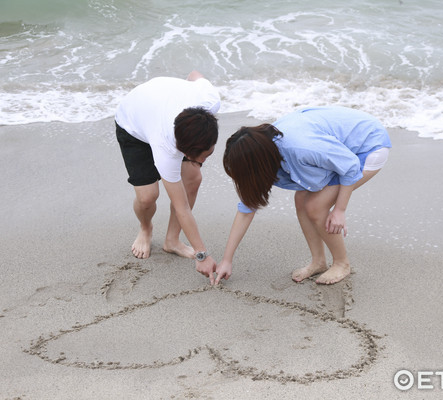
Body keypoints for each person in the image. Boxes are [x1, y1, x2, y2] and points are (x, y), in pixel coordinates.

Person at [215, 106, 391, 285]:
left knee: (316, 206)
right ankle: (318, 262)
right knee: (301, 199)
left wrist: (339, 210)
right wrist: (227, 260)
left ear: (259, 165)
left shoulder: (300, 147)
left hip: (367, 146)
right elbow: (246, 209)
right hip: (338, 149)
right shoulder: (264, 152)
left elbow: (350, 166)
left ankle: (341, 263)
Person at [115, 71, 220, 283]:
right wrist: (202, 255)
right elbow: (181, 206)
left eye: (209, 153)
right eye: (200, 158)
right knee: (147, 197)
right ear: (182, 151)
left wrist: (183, 88)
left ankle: (172, 241)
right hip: (133, 125)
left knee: (193, 178)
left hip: (164, 110)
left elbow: (194, 74)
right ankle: (146, 228)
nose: (204, 161)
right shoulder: (166, 148)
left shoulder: (209, 100)